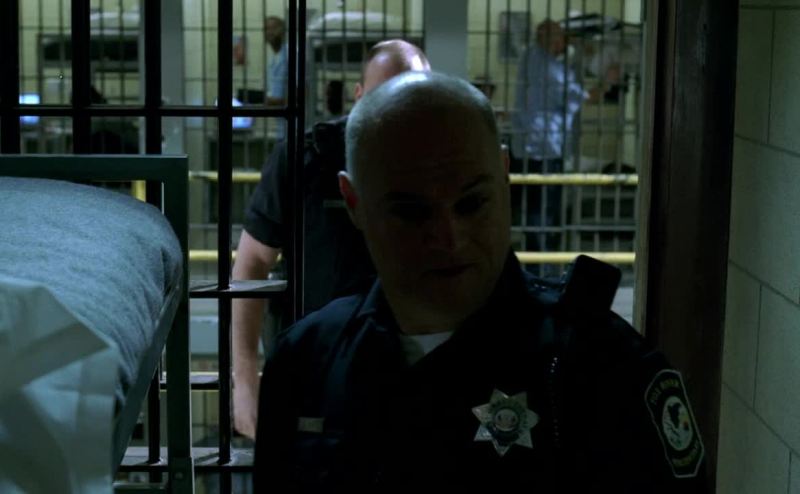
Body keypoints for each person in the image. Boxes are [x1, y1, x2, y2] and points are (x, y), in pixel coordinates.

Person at [253, 72, 706, 492]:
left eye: (471, 203)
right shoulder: (304, 364)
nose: (448, 237)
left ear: (504, 176)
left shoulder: (599, 370)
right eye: (411, 212)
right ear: (354, 203)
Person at [232, 40, 431, 441]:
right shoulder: (307, 158)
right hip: (315, 373)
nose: (395, 114)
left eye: (409, 99)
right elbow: (252, 264)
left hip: (409, 371)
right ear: (358, 96)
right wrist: (245, 380)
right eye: (383, 98)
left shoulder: (438, 163)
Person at [511, 19, 586, 262]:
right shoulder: (550, 68)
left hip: (528, 145)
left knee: (534, 208)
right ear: (552, 40)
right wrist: (606, 82)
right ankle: (541, 266)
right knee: (543, 211)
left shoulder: (529, 57)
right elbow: (575, 96)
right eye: (561, 37)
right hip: (545, 147)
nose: (564, 42)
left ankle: (536, 262)